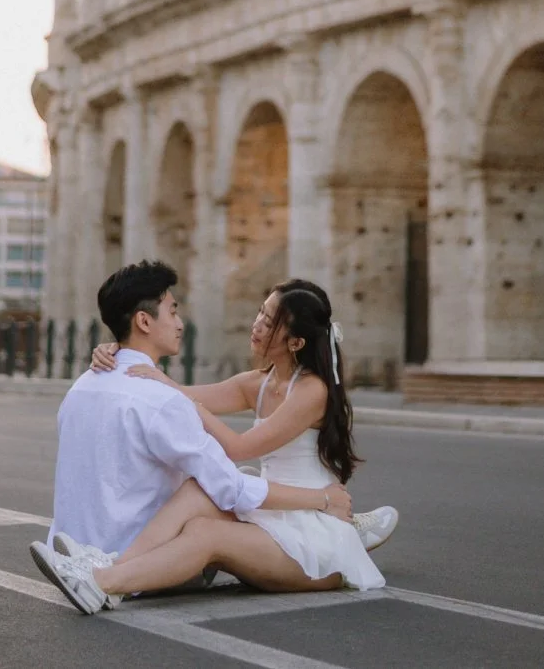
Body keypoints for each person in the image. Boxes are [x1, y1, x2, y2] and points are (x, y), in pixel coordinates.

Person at [30, 261, 357, 614]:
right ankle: (106, 566)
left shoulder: (312, 390)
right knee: (200, 491)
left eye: (269, 321)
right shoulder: (255, 383)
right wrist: (120, 351)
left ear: (295, 341)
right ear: (144, 322)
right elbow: (182, 395)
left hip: (310, 521)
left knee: (207, 522)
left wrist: (324, 499)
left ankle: (102, 579)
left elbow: (236, 448)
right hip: (276, 513)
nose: (257, 325)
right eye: (260, 313)